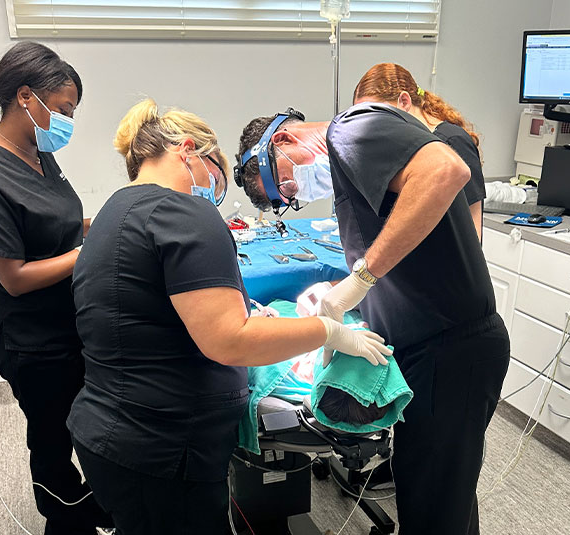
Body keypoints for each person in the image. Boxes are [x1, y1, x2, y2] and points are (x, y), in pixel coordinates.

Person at [67, 98, 392, 535]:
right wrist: (330, 331)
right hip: (162, 450)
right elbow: (231, 341)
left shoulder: (114, 210)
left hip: (114, 436)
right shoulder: (184, 212)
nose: (215, 195)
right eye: (216, 176)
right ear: (188, 151)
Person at [236, 101, 510, 534]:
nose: (296, 196)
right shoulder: (356, 162)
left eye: (286, 186)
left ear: (283, 141)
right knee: (441, 497)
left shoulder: (351, 130)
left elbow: (446, 171)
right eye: (288, 200)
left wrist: (362, 276)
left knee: (433, 512)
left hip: (452, 349)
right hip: (437, 349)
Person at [0, 42, 110, 535]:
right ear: (25, 97)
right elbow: (14, 277)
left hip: (65, 323)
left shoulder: (38, 157)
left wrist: (108, 223)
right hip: (27, 336)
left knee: (79, 419)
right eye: (63, 110)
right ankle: (63, 521)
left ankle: (88, 504)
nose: (67, 122)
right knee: (51, 435)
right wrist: (89, 252)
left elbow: (58, 225)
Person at [353, 62, 486, 240]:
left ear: (404, 102)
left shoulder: (453, 142)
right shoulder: (402, 143)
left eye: (376, 116)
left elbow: (472, 230)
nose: (371, 127)